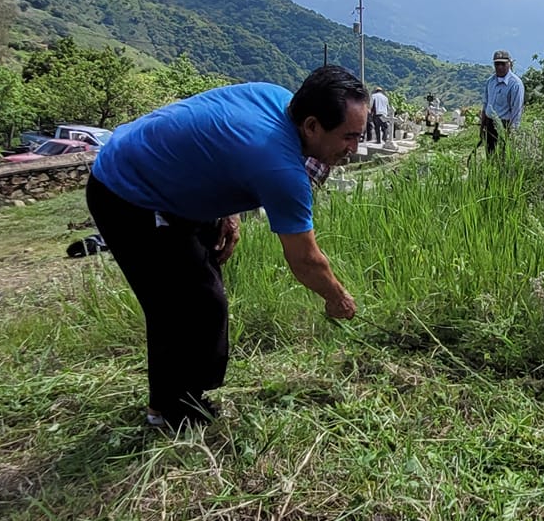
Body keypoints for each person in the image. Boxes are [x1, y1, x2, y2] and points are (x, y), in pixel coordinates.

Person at [87, 65, 365, 429]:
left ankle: (196, 397)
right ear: (312, 126)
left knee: (203, 300)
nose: (354, 149)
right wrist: (338, 298)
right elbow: (305, 261)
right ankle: (171, 412)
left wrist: (226, 212)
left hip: (169, 177)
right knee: (183, 307)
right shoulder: (280, 170)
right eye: (348, 137)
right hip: (128, 191)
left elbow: (219, 145)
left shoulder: (279, 100)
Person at [480, 49, 524, 156]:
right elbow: (486, 104)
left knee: (503, 157)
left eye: (503, 64)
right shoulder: (490, 81)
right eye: (497, 64)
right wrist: (483, 124)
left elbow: (516, 110)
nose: (499, 67)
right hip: (489, 123)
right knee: (490, 155)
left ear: (509, 64)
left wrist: (512, 133)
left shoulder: (515, 84)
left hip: (505, 126)